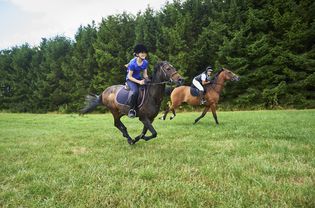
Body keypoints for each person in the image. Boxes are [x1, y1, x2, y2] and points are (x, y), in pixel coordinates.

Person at [126, 44, 149, 118]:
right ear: (137, 54)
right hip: (130, 80)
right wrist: (139, 82)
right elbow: (129, 76)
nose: (144, 54)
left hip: (139, 78)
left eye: (145, 52)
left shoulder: (145, 62)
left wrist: (148, 81)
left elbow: (145, 75)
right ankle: (131, 110)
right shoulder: (133, 63)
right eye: (142, 53)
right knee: (135, 92)